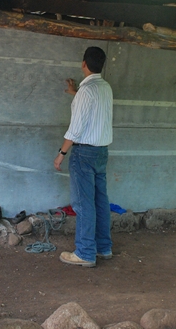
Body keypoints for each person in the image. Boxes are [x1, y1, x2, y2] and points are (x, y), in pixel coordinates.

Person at [54, 46, 113, 268]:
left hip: (84, 153)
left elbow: (75, 129)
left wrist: (61, 153)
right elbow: (91, 105)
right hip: (101, 151)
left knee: (83, 203)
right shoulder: (105, 87)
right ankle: (103, 247)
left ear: (83, 64)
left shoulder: (86, 91)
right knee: (100, 201)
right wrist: (74, 93)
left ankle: (85, 252)